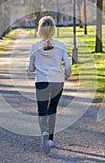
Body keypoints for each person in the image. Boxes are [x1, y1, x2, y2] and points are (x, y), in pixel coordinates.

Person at [27, 16, 72, 154]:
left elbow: (30, 68)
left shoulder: (35, 47)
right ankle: (51, 139)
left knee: (42, 110)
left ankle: (44, 134)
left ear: (40, 30)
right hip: (57, 81)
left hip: (41, 81)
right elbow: (68, 65)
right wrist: (67, 74)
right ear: (53, 30)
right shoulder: (61, 45)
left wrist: (36, 67)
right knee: (52, 109)